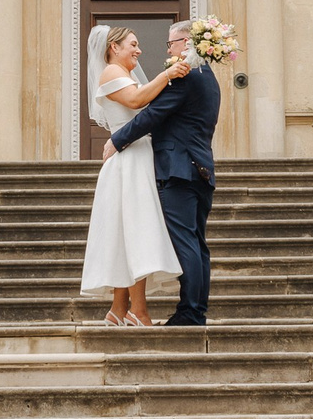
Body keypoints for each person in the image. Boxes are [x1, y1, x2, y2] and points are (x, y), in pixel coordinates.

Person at [105, 20, 221, 326]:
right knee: (197, 243)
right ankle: (194, 309)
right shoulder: (209, 77)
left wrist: (117, 140)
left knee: (186, 242)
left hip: (179, 171)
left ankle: (190, 312)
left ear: (185, 43)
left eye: (170, 45)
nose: (168, 52)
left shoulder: (185, 77)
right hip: (201, 168)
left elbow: (153, 113)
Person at [78, 25, 188, 325]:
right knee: (138, 231)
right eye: (133, 44)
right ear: (114, 47)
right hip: (129, 160)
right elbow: (137, 101)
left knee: (126, 233)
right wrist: (167, 74)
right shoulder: (112, 73)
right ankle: (138, 310)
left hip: (137, 156)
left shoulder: (121, 74)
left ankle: (118, 308)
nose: (139, 50)